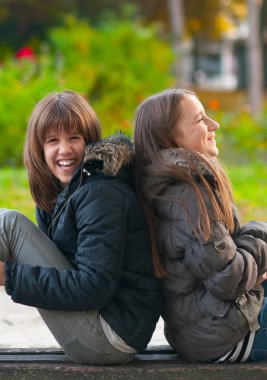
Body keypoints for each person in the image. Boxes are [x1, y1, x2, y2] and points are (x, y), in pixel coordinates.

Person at [0, 90, 162, 365]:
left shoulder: (101, 193)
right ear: (39, 149)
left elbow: (93, 287)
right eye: (52, 141)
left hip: (111, 336)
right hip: (103, 326)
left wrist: (9, 276)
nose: (64, 149)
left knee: (8, 224)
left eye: (74, 138)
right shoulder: (60, 194)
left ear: (90, 142)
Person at [133, 87, 267, 363]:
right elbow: (229, 279)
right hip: (225, 335)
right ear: (171, 137)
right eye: (199, 119)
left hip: (203, 328)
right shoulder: (189, 197)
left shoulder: (168, 186)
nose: (213, 124)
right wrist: (260, 233)